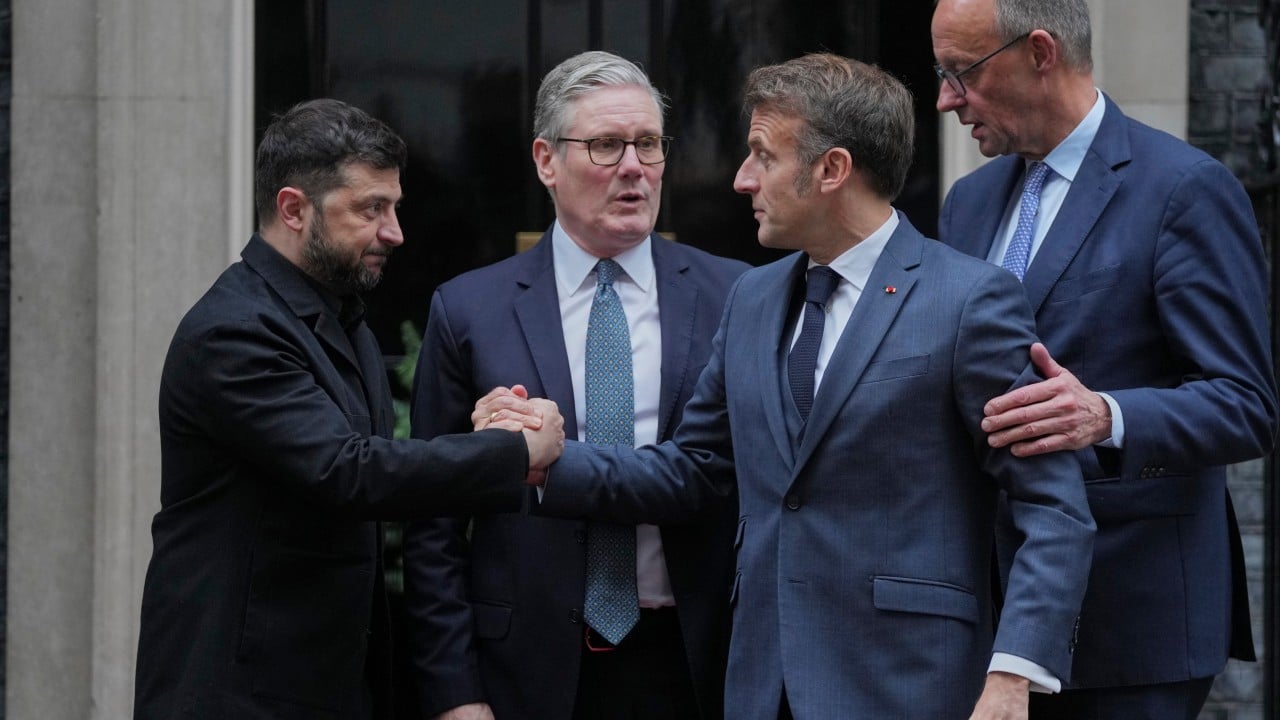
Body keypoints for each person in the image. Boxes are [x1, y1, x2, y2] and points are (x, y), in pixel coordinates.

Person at [494, 53, 1096, 720]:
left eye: (762, 155)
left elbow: (1052, 507)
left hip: (912, 686)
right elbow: (694, 469)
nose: (741, 178)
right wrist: (547, 459)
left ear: (831, 170)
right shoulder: (751, 298)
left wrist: (1014, 672)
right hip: (763, 685)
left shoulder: (969, 300)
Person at [132, 98, 564, 720]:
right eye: (370, 209)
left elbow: (368, 464)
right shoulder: (234, 331)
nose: (395, 232)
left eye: (394, 207)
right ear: (293, 209)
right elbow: (348, 472)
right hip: (236, 695)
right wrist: (512, 451)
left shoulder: (339, 317)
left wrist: (486, 430)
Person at [931, 1, 1279, 718]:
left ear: (1040, 53)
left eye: (961, 73)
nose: (945, 99)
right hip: (987, 621)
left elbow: (1246, 405)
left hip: (1130, 621)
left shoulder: (1183, 189)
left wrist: (1105, 415)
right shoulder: (967, 202)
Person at [401, 51, 750, 720]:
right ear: (546, 160)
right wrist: (455, 693)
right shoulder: (471, 308)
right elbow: (433, 523)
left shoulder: (736, 294)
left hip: (698, 662)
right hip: (526, 667)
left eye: (648, 144)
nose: (634, 167)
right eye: (606, 145)